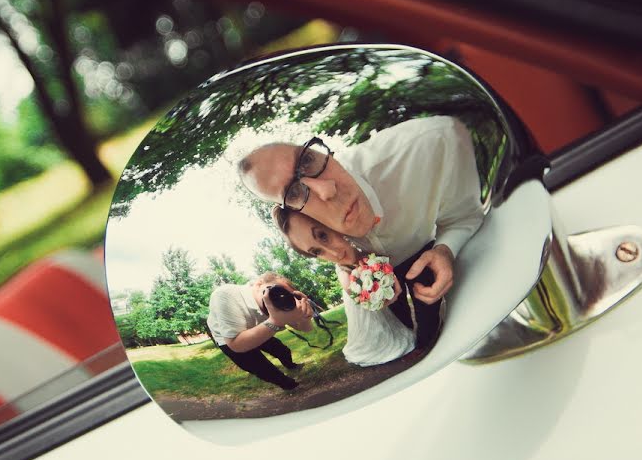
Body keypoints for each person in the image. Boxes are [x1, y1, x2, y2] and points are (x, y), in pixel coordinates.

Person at [239, 115, 485, 348]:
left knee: (428, 310)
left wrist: (445, 249)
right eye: (293, 193)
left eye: (307, 160)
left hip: (421, 255)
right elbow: (335, 253)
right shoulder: (308, 219)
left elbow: (464, 216)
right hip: (381, 272)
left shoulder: (431, 144)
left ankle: (429, 341)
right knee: (397, 312)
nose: (327, 191)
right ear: (294, 208)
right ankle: (412, 339)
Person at [271, 206, 415, 366]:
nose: (335, 254)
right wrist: (374, 288)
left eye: (323, 235)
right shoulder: (343, 271)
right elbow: (358, 295)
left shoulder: (370, 238)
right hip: (365, 310)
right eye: (317, 252)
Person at [206, 272, 314, 391]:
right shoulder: (225, 295)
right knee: (262, 368)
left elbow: (305, 328)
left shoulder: (278, 303)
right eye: (276, 290)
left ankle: (291, 366)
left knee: (282, 350)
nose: (279, 298)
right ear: (258, 284)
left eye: (285, 295)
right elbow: (236, 344)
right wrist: (275, 322)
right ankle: (290, 386)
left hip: (257, 326)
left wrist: (305, 316)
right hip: (229, 338)